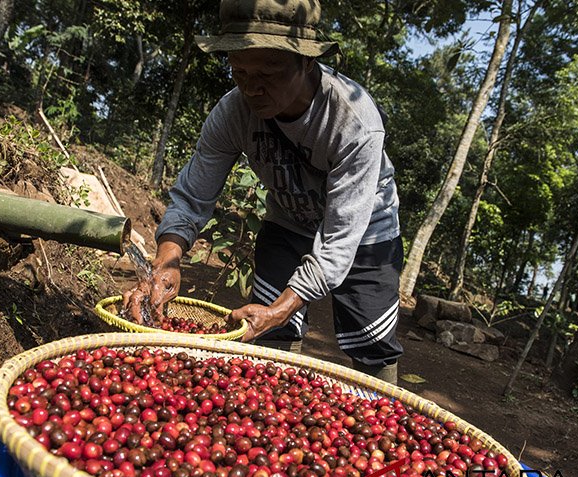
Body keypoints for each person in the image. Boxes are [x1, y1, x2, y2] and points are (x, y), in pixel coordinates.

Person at [123, 0, 403, 384]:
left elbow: (339, 241)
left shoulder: (353, 123)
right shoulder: (233, 113)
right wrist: (167, 262)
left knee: (371, 339)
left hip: (366, 229)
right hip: (288, 221)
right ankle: (271, 417)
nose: (252, 87)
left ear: (306, 62)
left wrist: (286, 305)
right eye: (240, 71)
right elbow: (192, 197)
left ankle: (385, 418)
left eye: (269, 72)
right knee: (271, 328)